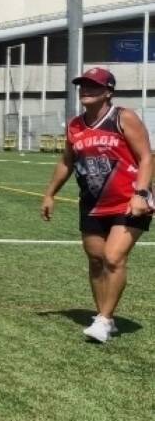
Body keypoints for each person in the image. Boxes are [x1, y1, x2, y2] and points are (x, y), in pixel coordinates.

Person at [41, 67, 153, 343]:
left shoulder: (123, 117)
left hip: (129, 201)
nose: (86, 90)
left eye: (93, 86)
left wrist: (141, 193)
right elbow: (67, 161)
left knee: (114, 258)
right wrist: (49, 194)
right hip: (92, 203)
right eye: (83, 85)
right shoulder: (75, 125)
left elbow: (147, 157)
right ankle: (107, 316)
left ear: (108, 91)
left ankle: (102, 320)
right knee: (95, 260)